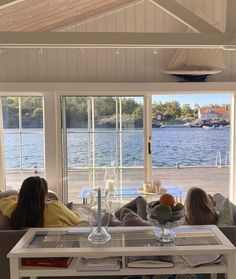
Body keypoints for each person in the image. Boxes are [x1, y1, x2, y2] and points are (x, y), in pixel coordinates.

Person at [0, 176, 82, 229]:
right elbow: (77, 219)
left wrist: (24, 198)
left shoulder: (13, 208)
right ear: (45, 193)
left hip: (27, 252)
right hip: (58, 250)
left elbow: (4, 200)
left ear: (22, 192)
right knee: (83, 211)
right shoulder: (54, 207)